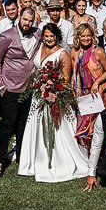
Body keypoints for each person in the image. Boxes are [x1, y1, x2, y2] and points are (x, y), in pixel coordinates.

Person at [19, 23, 88, 183]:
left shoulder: (63, 53)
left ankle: (58, 161)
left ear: (57, 37)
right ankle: (35, 161)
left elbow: (64, 78)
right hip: (38, 94)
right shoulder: (39, 48)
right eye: (46, 36)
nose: (49, 39)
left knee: (57, 127)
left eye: (52, 36)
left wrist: (52, 90)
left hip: (55, 95)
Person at [0, 7, 41, 176]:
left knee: (23, 124)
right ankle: (0, 160)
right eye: (25, 19)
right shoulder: (7, 36)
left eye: (30, 20)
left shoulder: (38, 34)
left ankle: (21, 155)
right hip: (10, 88)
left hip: (29, 88)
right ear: (19, 17)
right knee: (7, 125)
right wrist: (1, 86)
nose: (27, 23)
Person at [73, 22, 106, 148]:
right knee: (83, 130)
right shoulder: (77, 52)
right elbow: (75, 74)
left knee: (96, 128)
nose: (85, 38)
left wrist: (96, 82)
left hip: (98, 92)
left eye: (88, 35)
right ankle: (90, 158)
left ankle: (100, 159)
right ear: (78, 37)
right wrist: (75, 91)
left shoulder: (98, 51)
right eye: (82, 36)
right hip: (85, 94)